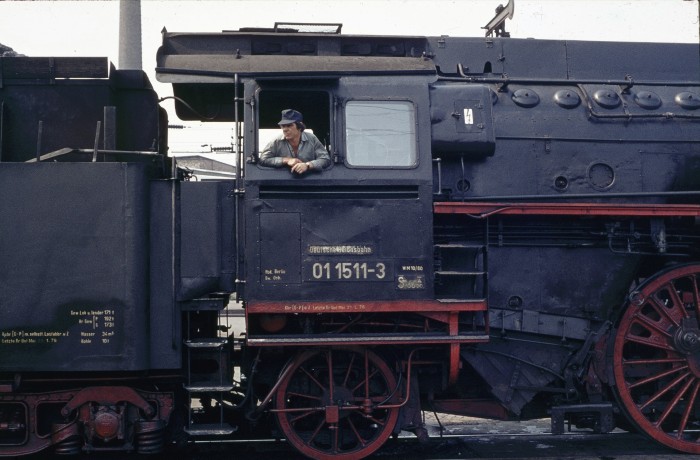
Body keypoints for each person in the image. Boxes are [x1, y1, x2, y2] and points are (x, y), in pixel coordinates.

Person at [258, 109, 331, 174]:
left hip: (309, 181)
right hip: (282, 181)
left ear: (300, 126)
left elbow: (325, 159)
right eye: (283, 126)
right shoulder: (277, 141)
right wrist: (286, 160)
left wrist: (307, 165)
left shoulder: (312, 139)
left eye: (289, 125)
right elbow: (263, 160)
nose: (285, 129)